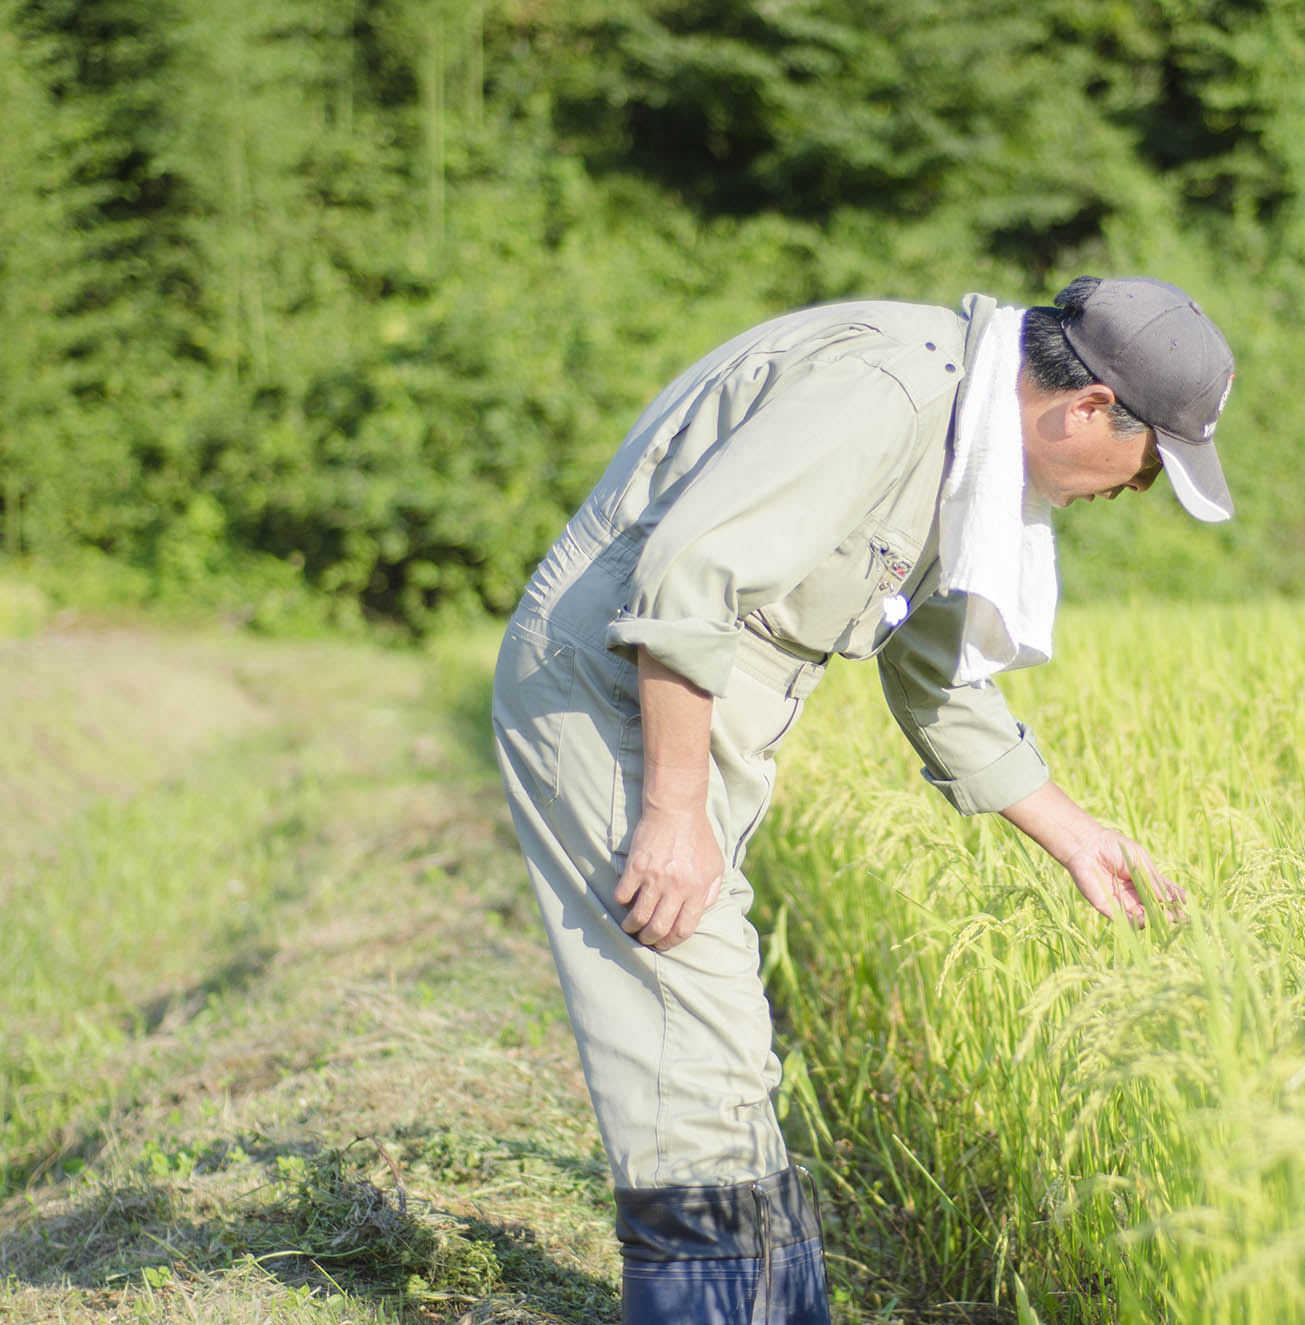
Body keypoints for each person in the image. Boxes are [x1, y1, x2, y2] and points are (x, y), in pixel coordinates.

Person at [491, 275, 1236, 1324]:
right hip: (619, 697)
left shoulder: (968, 446)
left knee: (728, 1059)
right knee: (684, 1065)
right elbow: (689, 580)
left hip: (688, 716)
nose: (1131, 489)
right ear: (1090, 408)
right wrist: (670, 813)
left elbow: (931, 665)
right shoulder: (887, 394)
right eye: (1150, 466)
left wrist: (1073, 834)